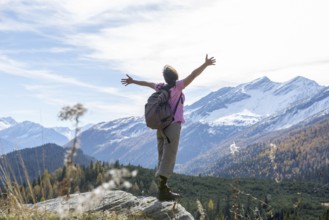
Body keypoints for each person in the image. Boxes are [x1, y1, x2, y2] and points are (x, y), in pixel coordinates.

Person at [121, 54, 216, 201]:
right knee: (169, 155)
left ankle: (162, 188)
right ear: (175, 76)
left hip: (161, 127)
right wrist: (205, 65)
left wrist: (133, 81)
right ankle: (163, 190)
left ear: (165, 78)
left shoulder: (160, 87)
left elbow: (147, 83)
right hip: (172, 126)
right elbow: (193, 75)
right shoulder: (178, 86)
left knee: (162, 155)